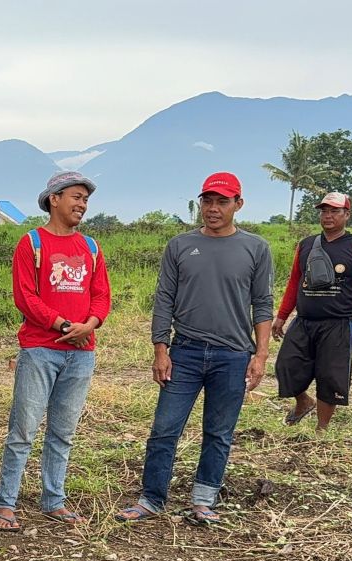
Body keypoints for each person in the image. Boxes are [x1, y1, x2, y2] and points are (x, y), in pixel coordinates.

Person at [117, 172, 273, 525]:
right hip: (184, 352)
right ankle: (151, 499)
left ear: (238, 204)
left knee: (219, 432)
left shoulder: (256, 248)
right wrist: (161, 348)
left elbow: (262, 303)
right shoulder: (180, 245)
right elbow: (164, 300)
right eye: (208, 201)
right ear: (199, 203)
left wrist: (260, 355)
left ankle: (203, 501)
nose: (213, 208)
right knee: (164, 429)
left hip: (233, 355)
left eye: (222, 201)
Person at [0, 171, 111, 531]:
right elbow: (25, 296)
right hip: (41, 349)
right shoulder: (32, 243)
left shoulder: (90, 247)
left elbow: (101, 295)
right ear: (53, 199)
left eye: (85, 199)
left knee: (63, 431)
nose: (82, 204)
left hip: (82, 352)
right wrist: (61, 325)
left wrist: (90, 325)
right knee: (23, 429)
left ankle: (53, 499)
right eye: (76, 196)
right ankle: (5, 502)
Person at [273, 192, 352, 431]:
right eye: (324, 211)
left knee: (330, 375)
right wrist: (282, 315)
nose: (328, 216)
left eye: (334, 211)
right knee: (285, 365)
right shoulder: (305, 245)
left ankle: (321, 429)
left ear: (347, 214)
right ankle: (303, 401)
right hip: (304, 320)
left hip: (338, 323)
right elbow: (294, 283)